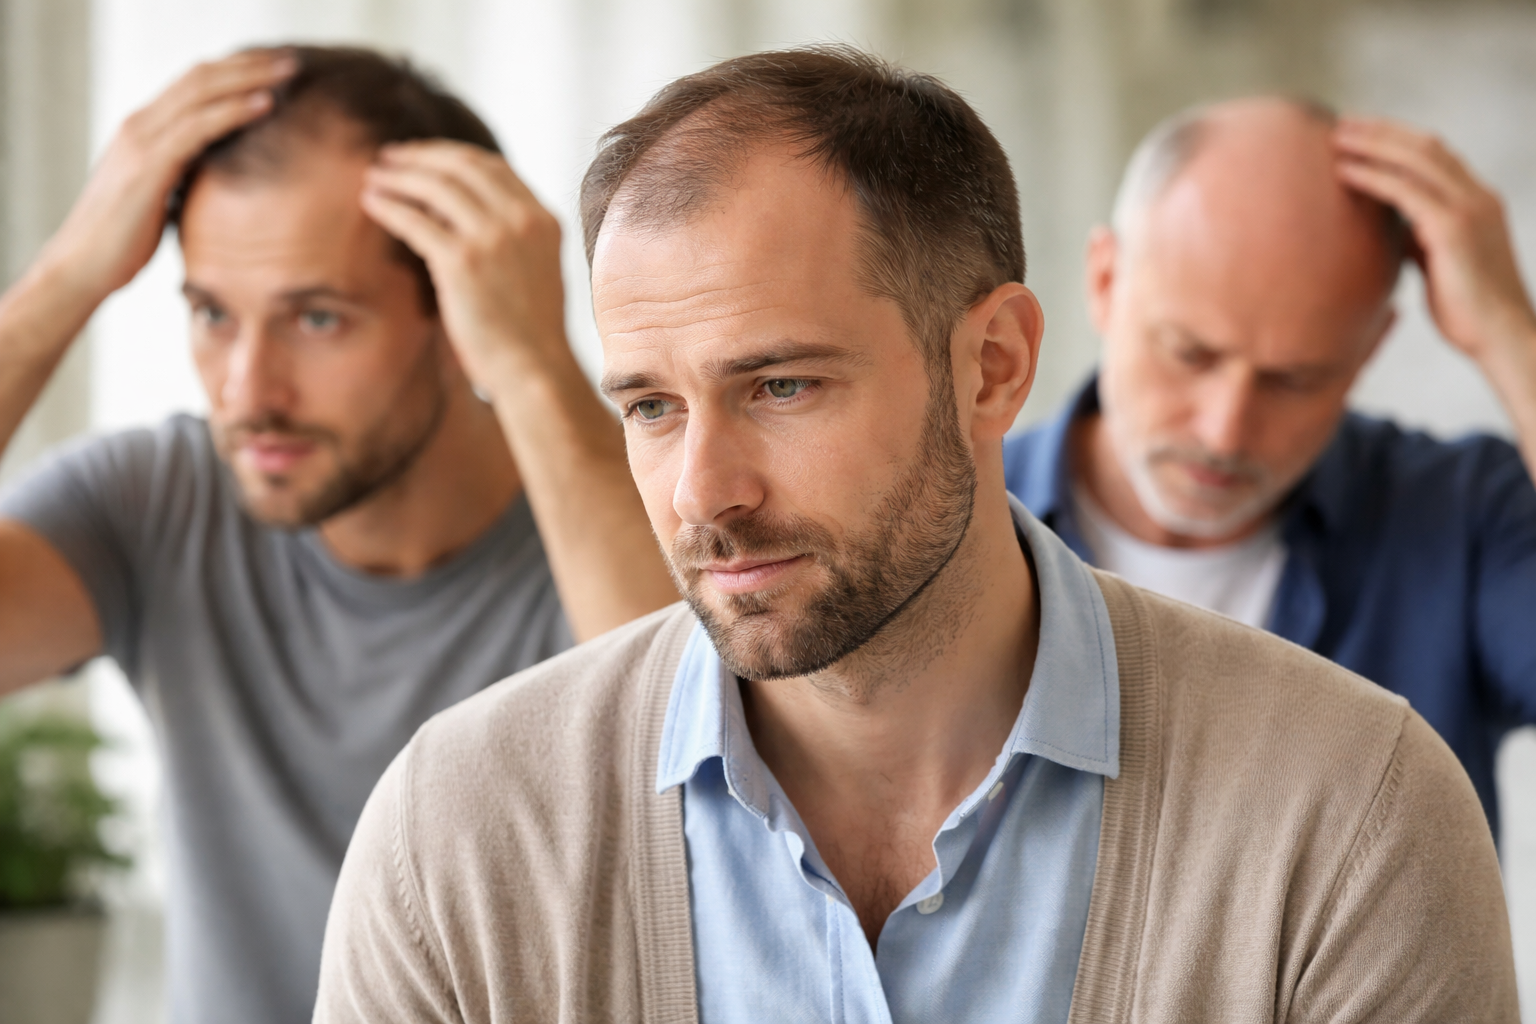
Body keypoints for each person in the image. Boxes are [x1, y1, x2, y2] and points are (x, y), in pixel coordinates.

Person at [313, 48, 1517, 1023]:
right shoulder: (454, 838)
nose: (702, 492)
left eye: (782, 386)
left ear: (993, 366)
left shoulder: (1355, 811)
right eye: (650, 405)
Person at [0, 46, 676, 1024]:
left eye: (317, 318)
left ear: (456, 311)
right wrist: (65, 279)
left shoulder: (631, 514)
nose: (247, 391)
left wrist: (535, 362)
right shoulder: (159, 501)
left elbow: (708, 749)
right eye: (211, 313)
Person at [1000, 98, 1536, 835]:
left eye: (1295, 380)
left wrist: (1511, 334)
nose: (1226, 430)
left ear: (1370, 350)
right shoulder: (951, 518)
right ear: (1103, 281)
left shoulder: (1460, 519)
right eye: (1191, 353)